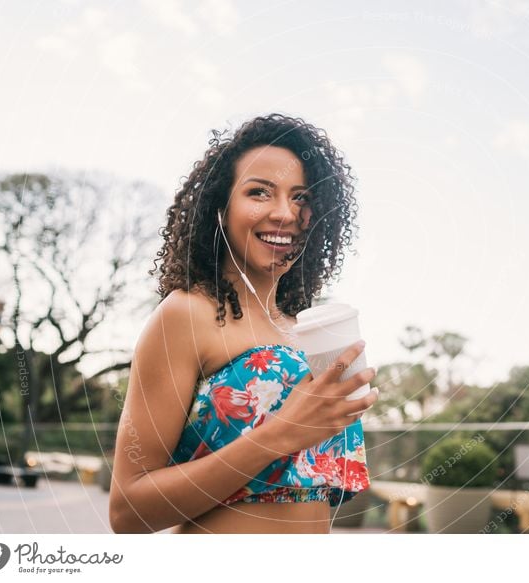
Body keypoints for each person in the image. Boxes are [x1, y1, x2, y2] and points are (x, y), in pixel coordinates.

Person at [108, 113, 379, 534]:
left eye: (302, 198)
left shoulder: (299, 328)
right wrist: (281, 433)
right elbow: (128, 512)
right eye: (259, 193)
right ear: (221, 208)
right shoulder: (187, 314)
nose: (284, 213)